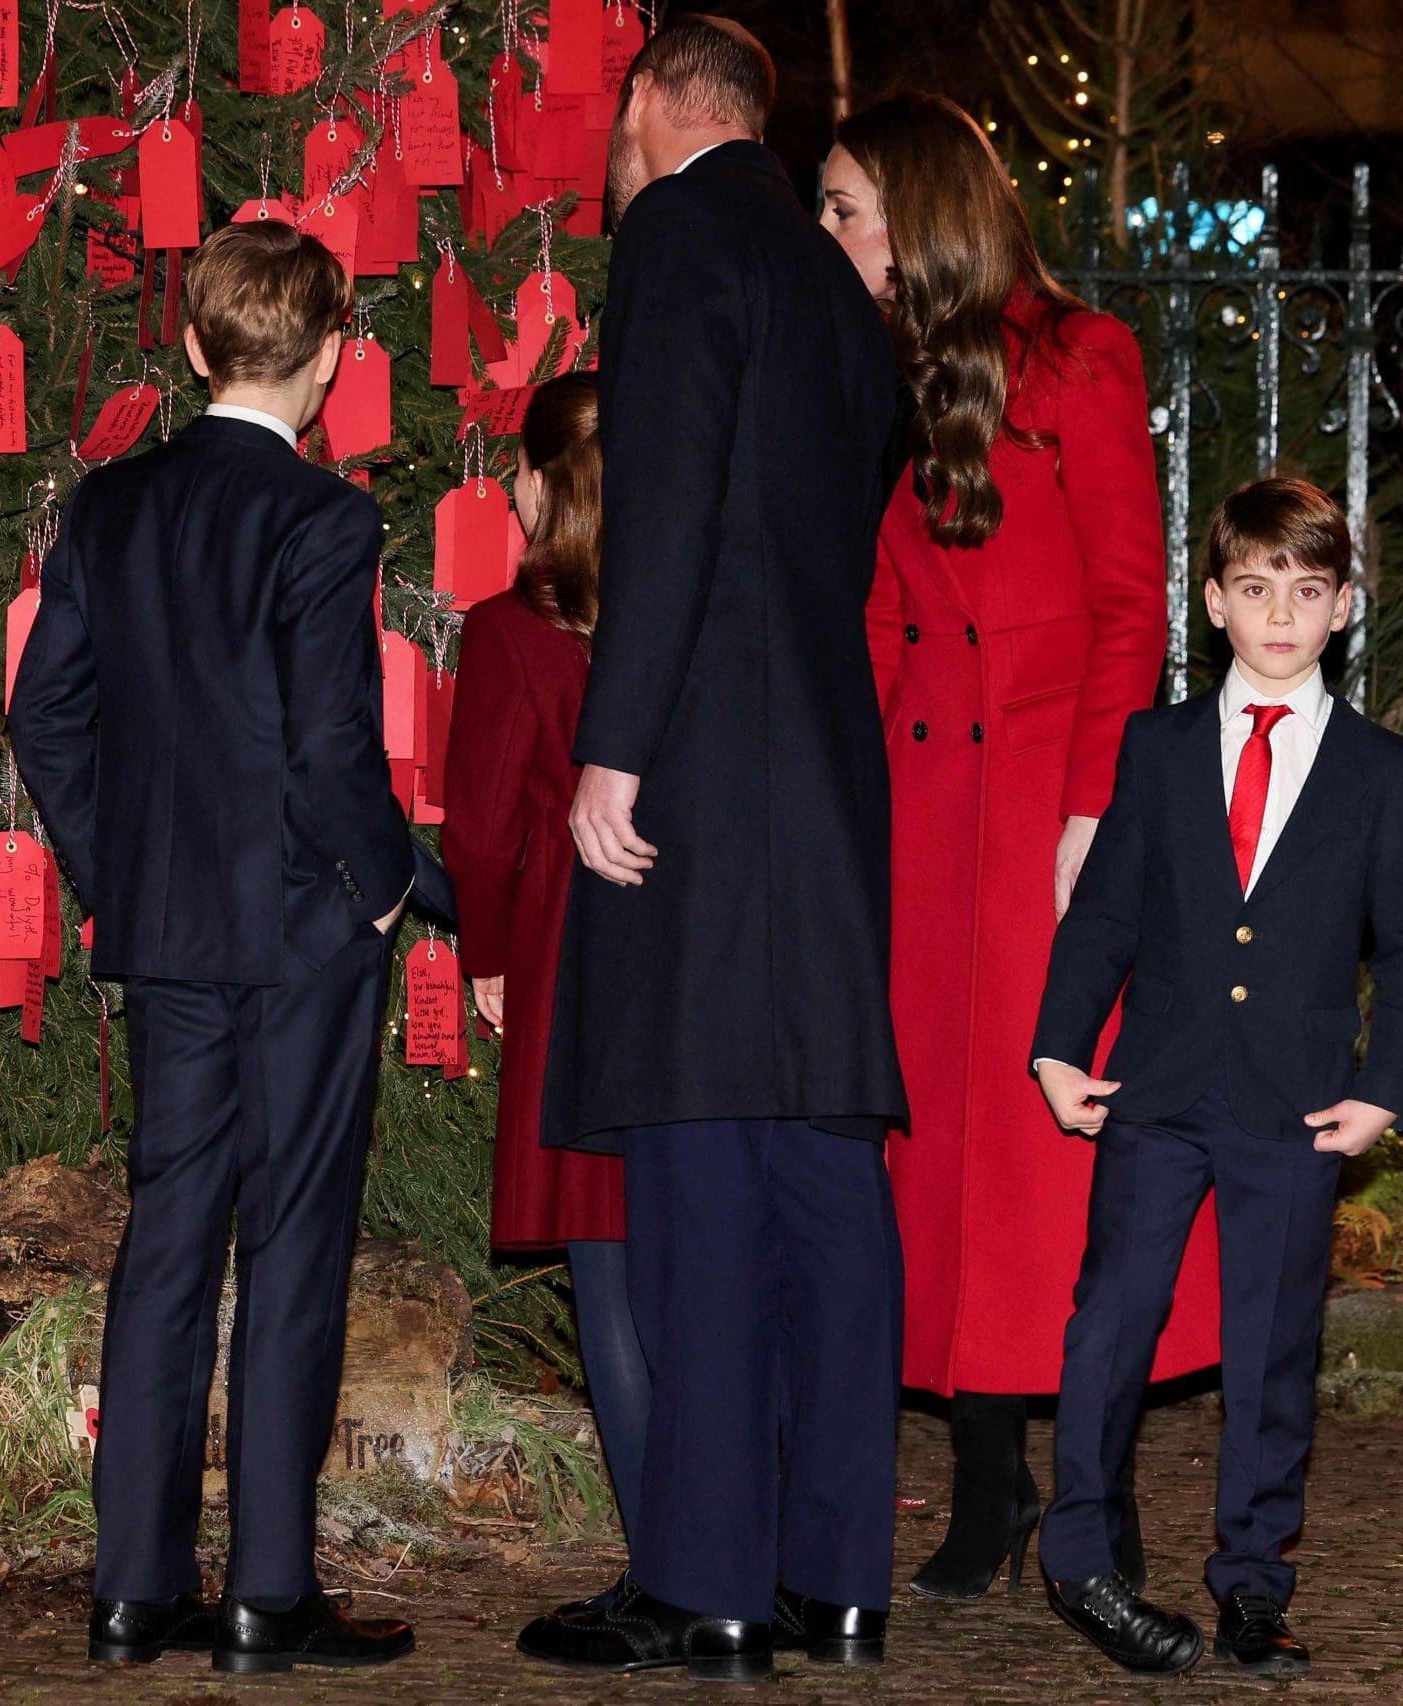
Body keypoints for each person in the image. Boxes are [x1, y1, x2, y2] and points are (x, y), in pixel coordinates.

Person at [514, 16, 907, 1684]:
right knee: (821, 1172)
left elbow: (663, 500)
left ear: (661, 107)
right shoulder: (837, 281)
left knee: (694, 1175)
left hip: (703, 773)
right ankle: (834, 1577)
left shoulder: (678, 231)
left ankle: (705, 1580)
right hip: (825, 775)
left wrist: (617, 745)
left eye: (615, 120)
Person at [11, 220, 451, 1676]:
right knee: (296, 1245)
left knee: (168, 1241)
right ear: (329, 360)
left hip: (173, 931)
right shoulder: (324, 520)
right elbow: (332, 749)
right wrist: (387, 887)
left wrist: (114, 867)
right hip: (306, 928)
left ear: (194, 347)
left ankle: (135, 1587)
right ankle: (267, 1590)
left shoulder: (113, 505)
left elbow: (43, 718)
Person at [820, 92, 1217, 1603]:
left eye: (851, 203)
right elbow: (867, 606)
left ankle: (1083, 1492)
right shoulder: (874, 367)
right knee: (944, 1157)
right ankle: (989, 1479)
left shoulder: (1081, 355)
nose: (834, 231)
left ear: (922, 208)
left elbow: (1132, 601)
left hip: (1051, 807)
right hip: (924, 816)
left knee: (1053, 1157)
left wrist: (1096, 817)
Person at [1028, 478, 1403, 1679]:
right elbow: (1104, 914)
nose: (1280, 614)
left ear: (1341, 608)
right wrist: (1059, 1045)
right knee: (1109, 1321)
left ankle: (1254, 1581)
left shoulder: (1379, 768)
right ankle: (1082, 1552)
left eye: (1306, 592)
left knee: (1271, 1346)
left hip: (1297, 1103)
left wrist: (1384, 1085)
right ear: (1213, 603)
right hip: (1153, 1086)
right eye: (1255, 589)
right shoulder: (1153, 746)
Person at [438, 373, 650, 1549]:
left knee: (604, 1255)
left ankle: (656, 1542)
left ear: (538, 483)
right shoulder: (690, 611)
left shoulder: (509, 629)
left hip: (571, 944)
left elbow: (479, 824)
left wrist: (490, 954)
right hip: (685, 938)